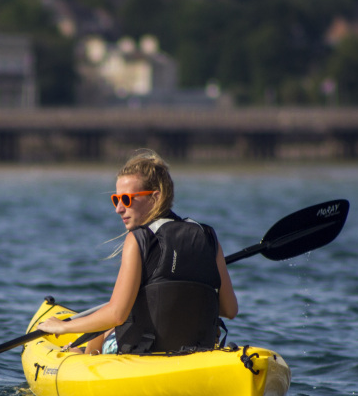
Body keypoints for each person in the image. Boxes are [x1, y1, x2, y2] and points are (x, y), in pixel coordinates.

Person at [37, 150, 238, 354]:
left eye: (126, 199)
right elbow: (230, 309)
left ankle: (80, 355)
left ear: (155, 197)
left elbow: (116, 314)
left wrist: (63, 327)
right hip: (197, 351)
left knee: (91, 338)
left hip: (145, 351)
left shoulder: (138, 239)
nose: (119, 209)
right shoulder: (207, 236)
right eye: (116, 200)